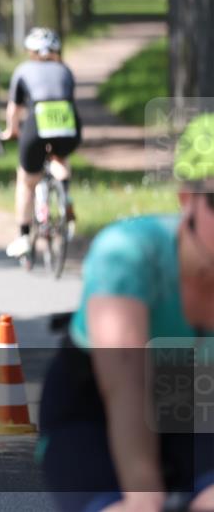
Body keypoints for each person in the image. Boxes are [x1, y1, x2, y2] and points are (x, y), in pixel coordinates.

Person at [38, 113, 214, 512]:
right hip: (95, 409)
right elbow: (125, 389)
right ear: (187, 200)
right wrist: (143, 498)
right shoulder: (128, 254)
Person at [0, 27, 82, 259]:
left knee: (26, 180)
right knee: (60, 157)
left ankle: (24, 235)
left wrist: (11, 131)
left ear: (30, 52)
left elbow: (15, 109)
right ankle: (64, 195)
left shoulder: (23, 70)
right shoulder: (65, 70)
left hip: (38, 122)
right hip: (67, 123)